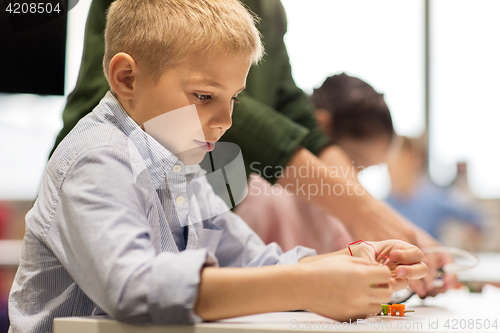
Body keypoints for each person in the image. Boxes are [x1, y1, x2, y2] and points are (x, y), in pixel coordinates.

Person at [8, 1, 427, 332]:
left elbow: (253, 261)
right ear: (127, 78)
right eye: (205, 96)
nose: (226, 121)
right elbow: (135, 289)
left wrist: (355, 262)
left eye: (235, 99)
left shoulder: (178, 162)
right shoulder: (96, 157)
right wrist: (311, 285)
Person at [236, 74, 397, 254]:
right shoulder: (264, 196)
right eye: (356, 163)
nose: (355, 179)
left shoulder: (339, 213)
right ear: (322, 127)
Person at [387, 137, 483, 248]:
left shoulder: (433, 199)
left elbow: (476, 219)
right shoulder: (380, 204)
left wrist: (472, 237)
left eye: (393, 157)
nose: (388, 164)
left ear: (412, 159)